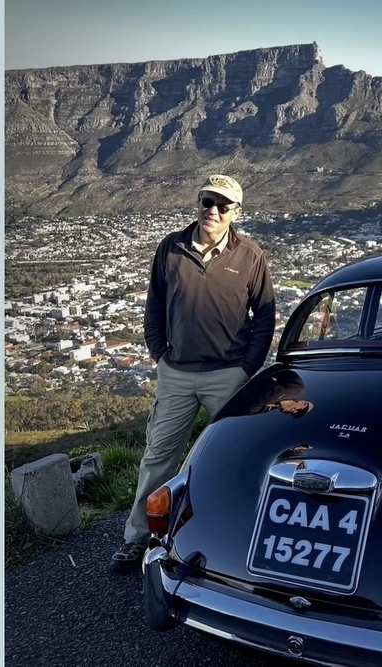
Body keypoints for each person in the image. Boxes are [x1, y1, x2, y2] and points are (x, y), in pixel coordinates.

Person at [110, 174, 276, 573]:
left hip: (228, 374)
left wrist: (247, 367)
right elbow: (155, 304)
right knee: (158, 456)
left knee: (238, 456)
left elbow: (265, 315)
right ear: (197, 202)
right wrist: (159, 354)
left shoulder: (250, 256)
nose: (212, 211)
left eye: (223, 205)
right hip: (177, 374)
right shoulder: (170, 248)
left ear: (237, 211)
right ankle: (139, 537)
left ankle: (239, 537)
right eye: (207, 202)